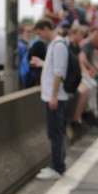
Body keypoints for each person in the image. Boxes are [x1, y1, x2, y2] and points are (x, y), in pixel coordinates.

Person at [30, 20, 69, 180]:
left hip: (55, 97)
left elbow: (59, 72)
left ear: (46, 29)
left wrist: (53, 96)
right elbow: (54, 67)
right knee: (54, 132)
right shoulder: (55, 44)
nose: (39, 37)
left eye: (39, 33)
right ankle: (56, 164)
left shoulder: (58, 45)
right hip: (52, 95)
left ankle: (58, 167)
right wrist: (42, 64)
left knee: (55, 133)